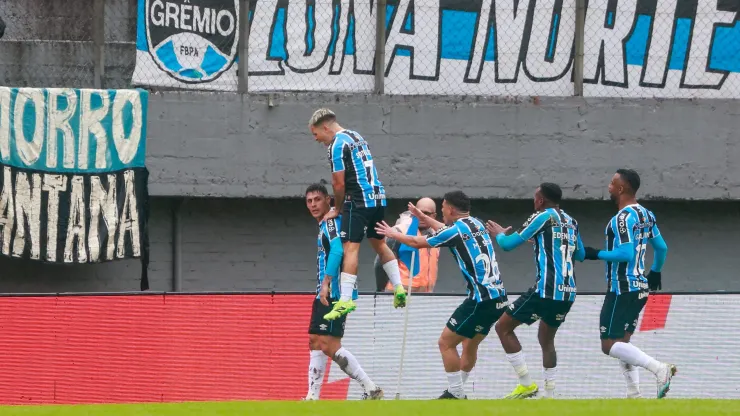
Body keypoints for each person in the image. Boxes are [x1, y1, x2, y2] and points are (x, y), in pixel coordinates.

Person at [375, 191, 510, 400]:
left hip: (480, 299)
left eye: (444, 207)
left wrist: (393, 234)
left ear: (451, 209)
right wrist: (424, 217)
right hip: (499, 297)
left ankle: (455, 393)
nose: (442, 212)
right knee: (469, 343)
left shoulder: (455, 231)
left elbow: (417, 242)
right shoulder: (477, 223)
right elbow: (447, 230)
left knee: (445, 343)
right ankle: (457, 391)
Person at [485, 183, 584, 399]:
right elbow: (580, 253)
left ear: (540, 200)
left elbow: (508, 245)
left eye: (535, 197)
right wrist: (542, 241)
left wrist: (500, 234)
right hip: (568, 292)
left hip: (545, 290)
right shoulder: (571, 221)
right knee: (546, 340)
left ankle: (526, 384)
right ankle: (550, 394)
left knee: (503, 327)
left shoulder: (541, 216)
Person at [581, 169, 674, 399]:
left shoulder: (622, 218)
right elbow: (661, 248)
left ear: (621, 189)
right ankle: (633, 393)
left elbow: (624, 253)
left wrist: (594, 254)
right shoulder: (646, 214)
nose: (609, 186)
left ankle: (659, 368)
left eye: (612, 183)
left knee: (608, 344)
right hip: (640, 286)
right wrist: (655, 272)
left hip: (622, 286)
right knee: (623, 342)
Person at [309, 109, 406, 320]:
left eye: (316, 134)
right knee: (380, 244)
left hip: (359, 199)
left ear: (325, 127)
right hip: (378, 197)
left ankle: (345, 300)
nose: (317, 140)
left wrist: (338, 208)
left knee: (350, 248)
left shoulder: (336, 145)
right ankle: (398, 287)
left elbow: (338, 182)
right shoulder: (356, 136)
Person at [304, 183, 383, 401]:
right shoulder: (324, 224)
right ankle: (312, 395)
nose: (313, 205)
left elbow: (338, 250)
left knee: (330, 345)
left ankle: (370, 386)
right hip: (323, 291)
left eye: (317, 200)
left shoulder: (330, 223)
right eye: (309, 201)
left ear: (329, 200)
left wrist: (327, 282)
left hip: (333, 292)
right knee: (314, 339)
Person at [374, 197, 441, 293]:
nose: (421, 215)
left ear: (434, 216)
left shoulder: (437, 235)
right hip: (399, 293)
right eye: (418, 212)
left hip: (425, 295)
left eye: (425, 213)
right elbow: (380, 263)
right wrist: (381, 291)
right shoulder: (399, 232)